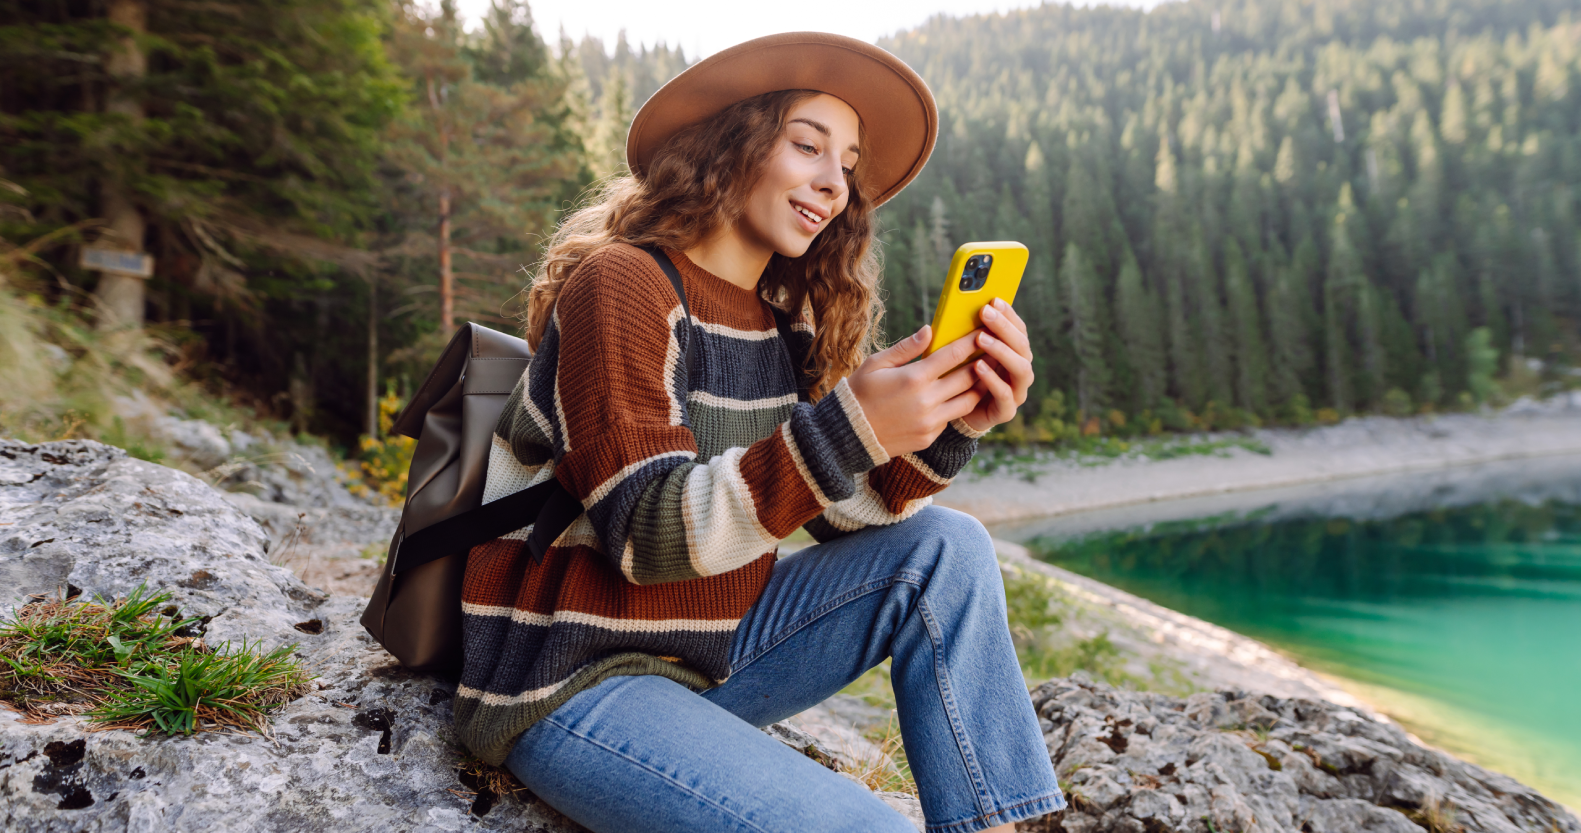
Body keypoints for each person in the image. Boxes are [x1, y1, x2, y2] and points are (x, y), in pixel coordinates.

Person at [454, 32, 1063, 833]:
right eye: (807, 145)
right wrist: (850, 426)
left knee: (944, 549)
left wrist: (945, 428)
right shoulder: (623, 284)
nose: (833, 182)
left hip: (708, 657)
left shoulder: (779, 333)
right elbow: (645, 532)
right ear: (728, 144)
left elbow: (835, 518)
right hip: (572, 681)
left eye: (846, 164)